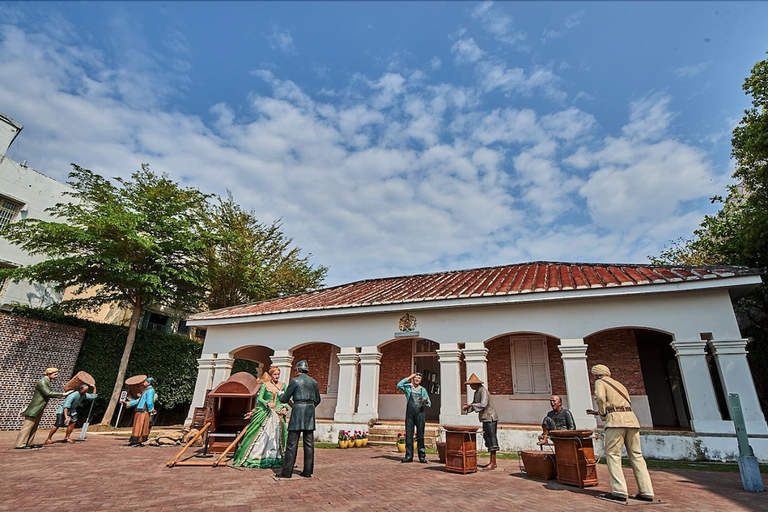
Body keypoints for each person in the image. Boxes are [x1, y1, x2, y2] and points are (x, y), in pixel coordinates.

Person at [587, 364, 655, 503]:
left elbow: (600, 397)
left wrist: (601, 413)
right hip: (631, 419)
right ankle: (646, 490)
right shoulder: (619, 384)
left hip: (616, 420)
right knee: (637, 455)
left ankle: (619, 490)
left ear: (597, 375)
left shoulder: (600, 382)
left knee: (613, 454)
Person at [233, 366, 289, 468]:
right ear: (271, 375)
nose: (277, 376)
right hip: (265, 413)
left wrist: (285, 407)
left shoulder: (283, 386)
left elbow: (288, 399)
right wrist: (267, 403)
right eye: (275, 374)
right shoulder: (265, 385)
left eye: (278, 374)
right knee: (260, 434)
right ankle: (256, 456)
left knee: (276, 436)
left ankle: (275, 457)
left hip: (278, 414)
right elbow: (260, 398)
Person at [276, 360, 321, 478]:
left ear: (297, 370)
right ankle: (308, 471)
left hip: (298, 411)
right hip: (309, 412)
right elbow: (318, 400)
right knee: (309, 443)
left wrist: (280, 394)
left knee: (292, 443)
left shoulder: (295, 381)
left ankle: (287, 471)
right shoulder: (314, 382)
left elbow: (285, 399)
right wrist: (309, 407)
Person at [15, 368, 72, 449]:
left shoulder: (47, 381)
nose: (56, 376)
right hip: (35, 407)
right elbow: (48, 393)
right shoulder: (43, 381)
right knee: (28, 426)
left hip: (39, 407)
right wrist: (63, 394)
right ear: (49, 373)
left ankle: (29, 443)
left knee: (34, 426)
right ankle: (20, 444)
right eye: (55, 374)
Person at [462, 373, 499, 470]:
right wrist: (468, 408)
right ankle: (492, 462)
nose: (470, 386)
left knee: (492, 439)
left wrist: (471, 405)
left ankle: (493, 462)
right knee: (487, 438)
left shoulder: (483, 391)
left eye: (471, 385)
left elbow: (483, 404)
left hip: (490, 417)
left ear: (475, 384)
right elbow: (474, 404)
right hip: (484, 418)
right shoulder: (476, 392)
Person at [397, 372, 431, 463]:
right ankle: (408, 456)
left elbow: (429, 404)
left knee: (420, 435)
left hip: (420, 414)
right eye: (415, 378)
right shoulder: (408, 387)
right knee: (409, 435)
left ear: (421, 380)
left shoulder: (422, 390)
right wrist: (408, 377)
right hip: (410, 414)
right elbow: (399, 385)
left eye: (419, 378)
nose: (417, 379)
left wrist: (426, 401)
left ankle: (422, 456)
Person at [123, 377, 156, 446]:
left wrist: (151, 409)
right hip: (140, 409)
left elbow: (149, 401)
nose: (143, 383)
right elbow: (139, 400)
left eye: (145, 382)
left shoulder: (150, 391)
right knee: (137, 425)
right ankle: (135, 440)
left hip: (143, 410)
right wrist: (129, 403)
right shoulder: (146, 390)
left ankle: (139, 440)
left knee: (140, 425)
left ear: (149, 383)